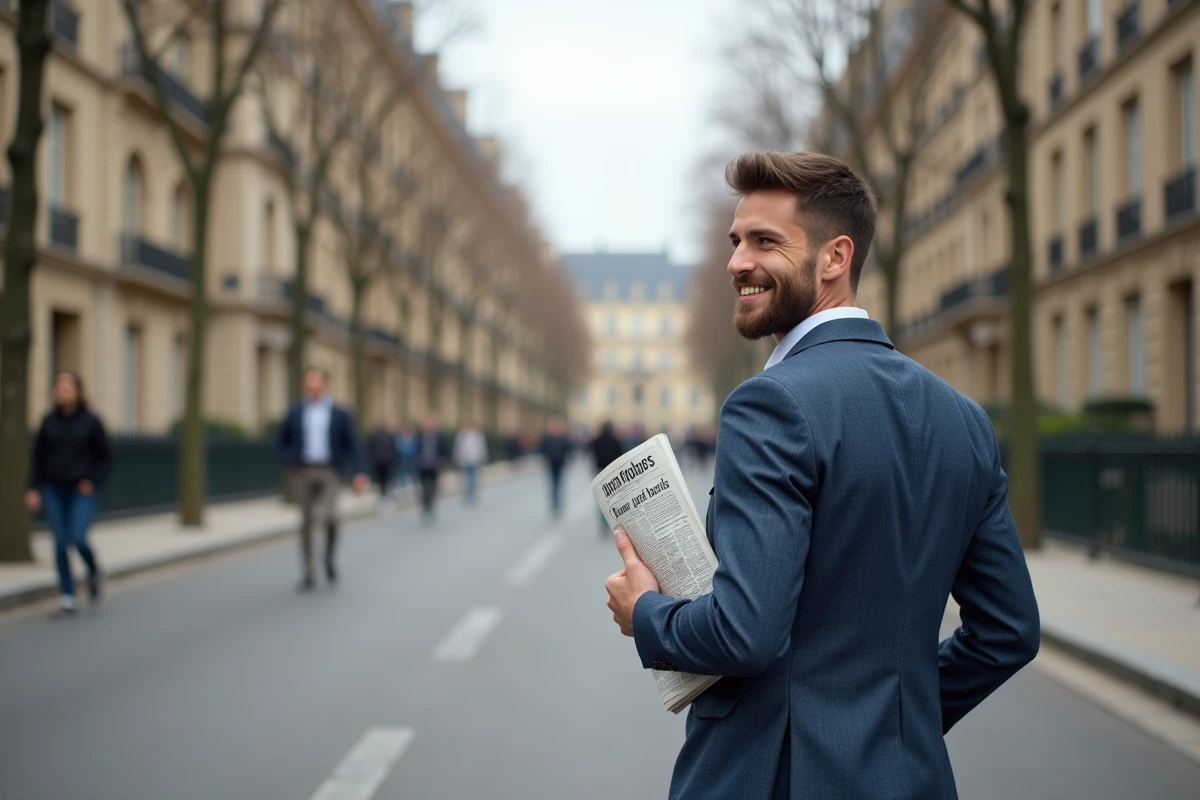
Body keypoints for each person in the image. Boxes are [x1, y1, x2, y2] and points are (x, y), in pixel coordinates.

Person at [603, 151, 1040, 799]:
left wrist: (647, 614)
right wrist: (894, 724)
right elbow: (1009, 633)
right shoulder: (965, 420)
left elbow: (743, 635)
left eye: (765, 242)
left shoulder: (770, 403)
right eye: (735, 242)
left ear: (835, 258)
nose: (736, 263)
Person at [25, 372, 111, 619]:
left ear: (78, 390)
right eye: (59, 385)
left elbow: (106, 458)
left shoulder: (91, 421)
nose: (62, 389)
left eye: (67, 385)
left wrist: (92, 480)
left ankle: (94, 570)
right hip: (54, 488)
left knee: (78, 537)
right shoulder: (48, 421)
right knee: (60, 541)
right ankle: (68, 597)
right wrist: (32, 488)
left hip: (81, 490)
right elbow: (38, 457)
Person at [277, 368, 368, 592]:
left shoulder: (339, 412)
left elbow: (352, 444)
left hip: (330, 471)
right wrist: (291, 463)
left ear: (324, 384)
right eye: (308, 382)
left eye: (315, 382)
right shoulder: (296, 411)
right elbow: (282, 440)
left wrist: (359, 472)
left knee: (330, 516)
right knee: (306, 521)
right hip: (305, 470)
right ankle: (308, 571)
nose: (311, 386)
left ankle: (328, 557)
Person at [589, 420, 625, 535]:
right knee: (613, 500)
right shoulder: (615, 441)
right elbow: (621, 455)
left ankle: (603, 523)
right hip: (612, 473)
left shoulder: (597, 440)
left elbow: (591, 450)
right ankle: (613, 523)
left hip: (600, 472)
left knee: (602, 499)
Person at [414, 413, 449, 523]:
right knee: (423, 487)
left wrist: (442, 460)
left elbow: (444, 450)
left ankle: (431, 503)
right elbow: (416, 449)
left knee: (433, 487)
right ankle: (425, 505)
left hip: (434, 465)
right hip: (423, 465)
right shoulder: (420, 436)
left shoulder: (439, 437)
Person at [539, 416, 572, 517]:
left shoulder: (563, 438)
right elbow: (542, 449)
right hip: (551, 464)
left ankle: (558, 503)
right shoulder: (547, 438)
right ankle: (554, 503)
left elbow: (569, 449)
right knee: (553, 484)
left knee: (559, 484)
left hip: (560, 463)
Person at [452, 419, 488, 505]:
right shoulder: (462, 435)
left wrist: (483, 458)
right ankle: (467, 493)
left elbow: (482, 447)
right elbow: (458, 447)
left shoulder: (478, 435)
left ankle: (472, 493)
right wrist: (456, 458)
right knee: (466, 477)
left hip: (474, 460)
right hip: (465, 460)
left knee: (473, 478)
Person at [367, 420, 400, 510]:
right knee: (387, 481)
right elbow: (393, 451)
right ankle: (386, 497)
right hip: (387, 463)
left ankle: (383, 497)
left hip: (379, 463)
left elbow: (370, 451)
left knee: (382, 482)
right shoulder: (388, 437)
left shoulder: (373, 438)